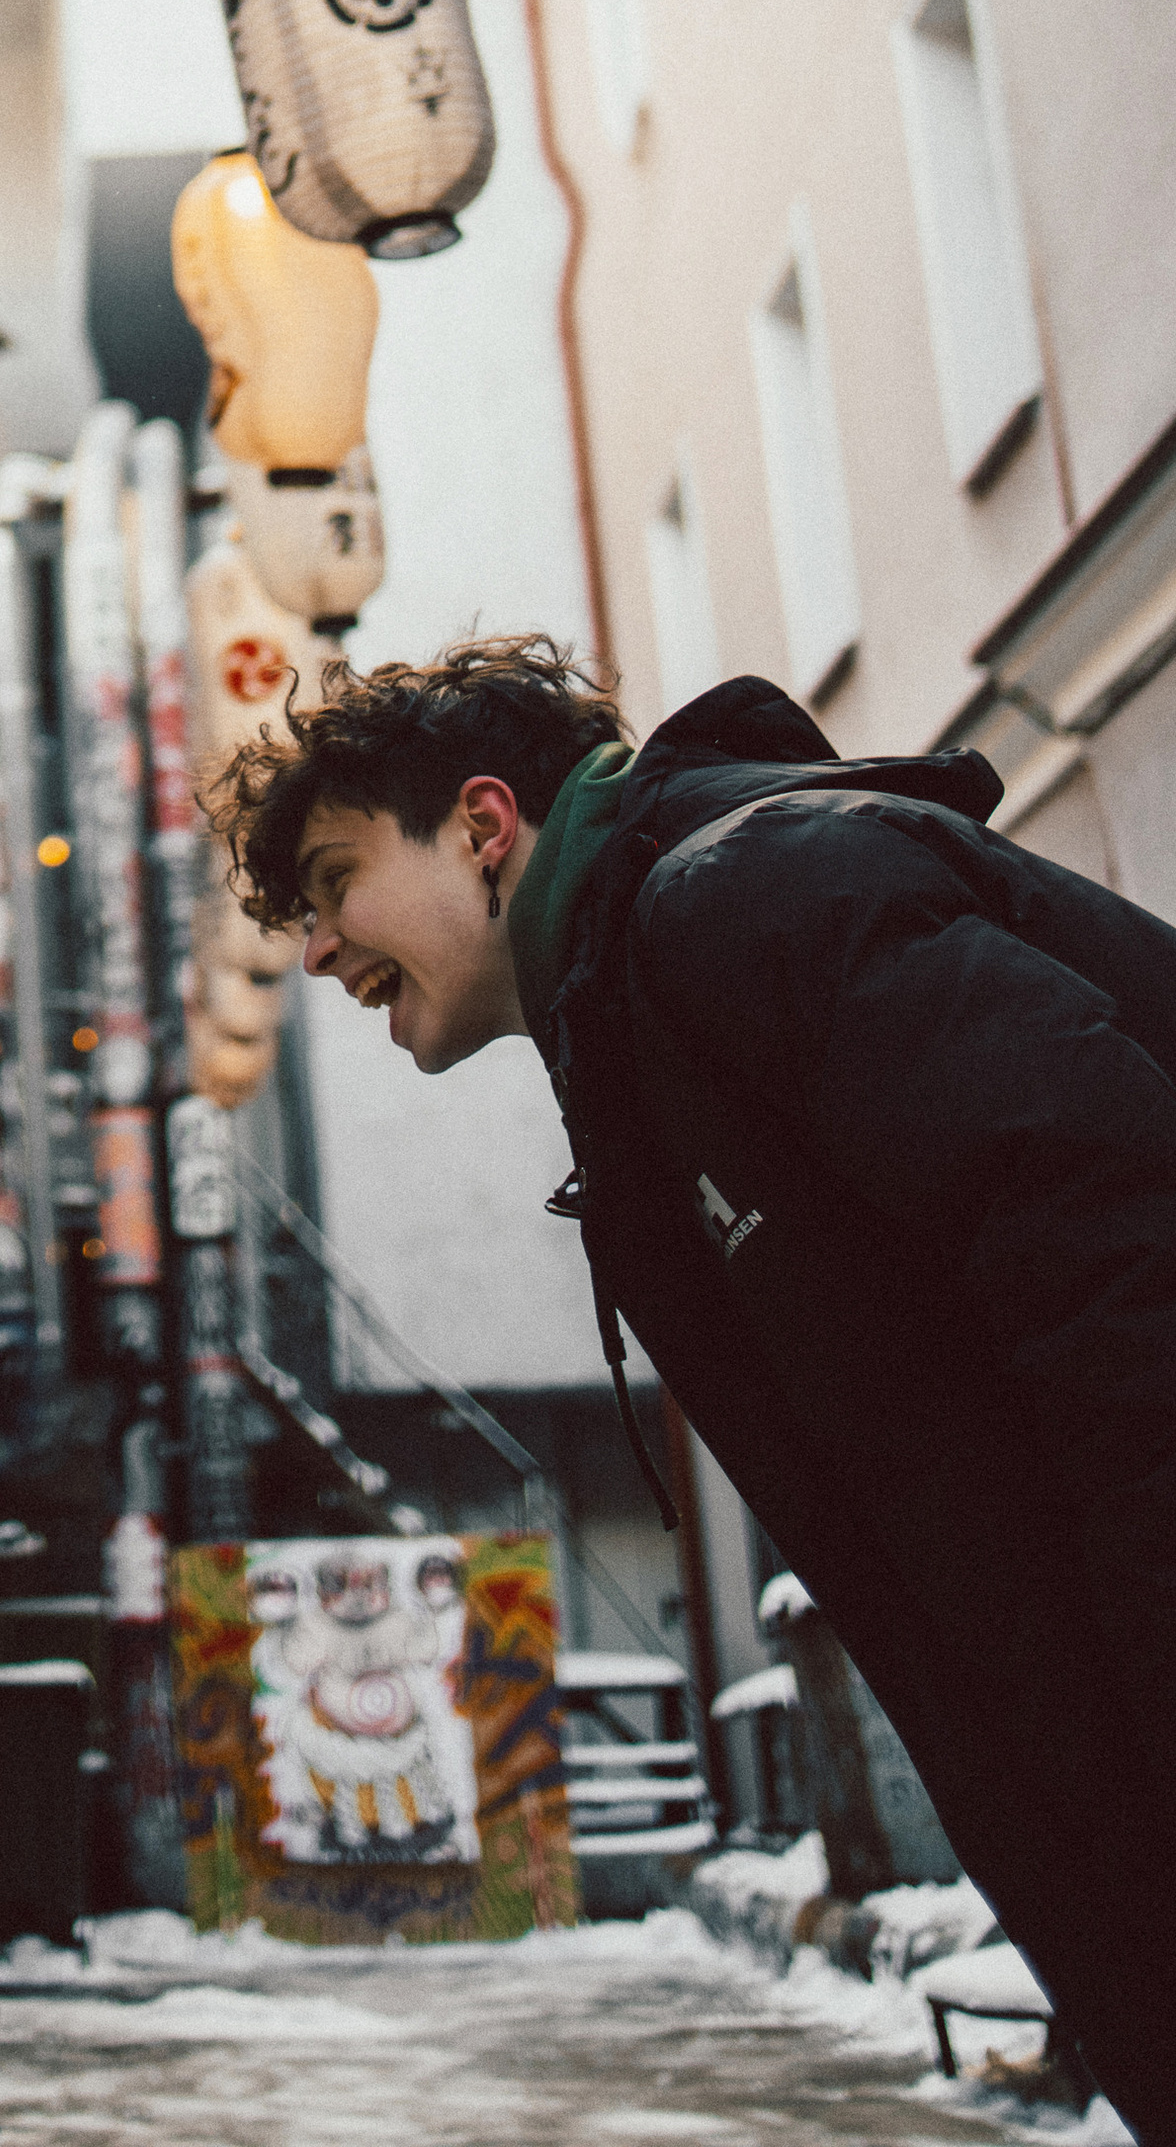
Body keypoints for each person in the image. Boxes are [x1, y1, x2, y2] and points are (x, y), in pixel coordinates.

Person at [212, 636, 1176, 2145]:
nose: (318, 950)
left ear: (482, 825)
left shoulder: (742, 899)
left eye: (333, 881)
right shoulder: (646, 996)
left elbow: (1123, 1237)